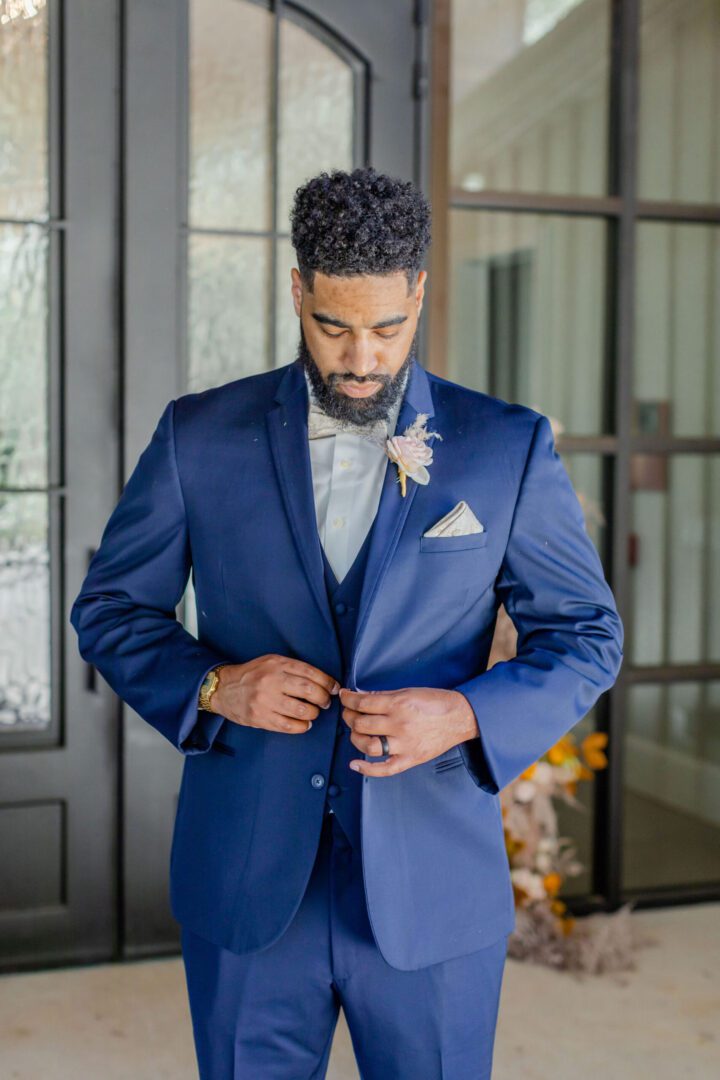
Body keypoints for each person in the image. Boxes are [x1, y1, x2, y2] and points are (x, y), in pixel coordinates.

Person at [70, 166, 624, 1079]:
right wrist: (215, 684)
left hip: (433, 889)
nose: (361, 358)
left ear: (419, 293)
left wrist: (467, 714)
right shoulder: (197, 436)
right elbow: (112, 608)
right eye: (333, 327)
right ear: (297, 292)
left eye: (386, 328)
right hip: (250, 885)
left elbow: (586, 635)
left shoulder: (505, 445)